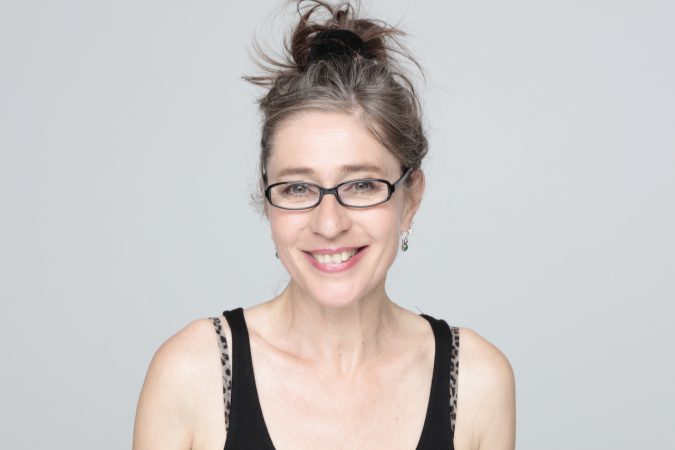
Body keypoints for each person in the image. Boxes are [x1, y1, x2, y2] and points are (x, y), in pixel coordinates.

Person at [132, 1, 516, 449]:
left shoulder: (475, 381)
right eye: (298, 188)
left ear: (410, 198)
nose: (329, 224)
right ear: (267, 201)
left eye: (362, 185)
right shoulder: (192, 373)